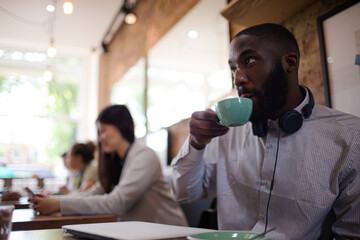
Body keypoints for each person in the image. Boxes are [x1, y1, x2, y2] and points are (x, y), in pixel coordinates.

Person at [170, 23, 360, 239]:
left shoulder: (350, 138)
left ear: (290, 62)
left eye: (249, 61)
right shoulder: (226, 132)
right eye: (233, 69)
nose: (238, 79)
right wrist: (196, 142)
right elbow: (183, 193)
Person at [30, 105, 188, 226]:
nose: (100, 138)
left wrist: (60, 204)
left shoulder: (145, 156)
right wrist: (55, 201)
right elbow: (95, 192)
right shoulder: (118, 161)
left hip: (170, 232)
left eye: (103, 131)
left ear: (122, 127)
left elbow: (116, 203)